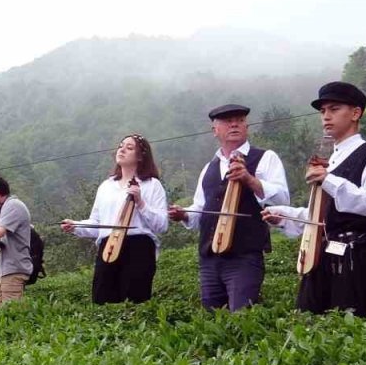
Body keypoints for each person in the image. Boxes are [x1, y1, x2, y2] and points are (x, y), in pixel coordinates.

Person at [263, 82, 366, 315]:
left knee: (351, 330)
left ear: (355, 113)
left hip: (353, 257)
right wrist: (283, 215)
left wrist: (328, 180)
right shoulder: (330, 161)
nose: (326, 117)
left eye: (334, 109)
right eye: (322, 111)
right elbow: (322, 218)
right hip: (319, 256)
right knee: (312, 326)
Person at [168, 104, 290, 311]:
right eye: (227, 121)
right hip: (209, 258)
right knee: (212, 318)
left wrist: (249, 180)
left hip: (244, 256)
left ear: (247, 125)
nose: (234, 124)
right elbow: (200, 208)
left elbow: (282, 199)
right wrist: (183, 215)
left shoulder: (265, 157)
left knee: (242, 316)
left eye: (240, 120)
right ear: (214, 129)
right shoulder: (209, 167)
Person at [62, 134, 169, 303]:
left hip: (138, 247)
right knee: (102, 299)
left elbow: (162, 224)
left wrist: (140, 203)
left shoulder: (151, 185)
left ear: (141, 156)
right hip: (108, 247)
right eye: (121, 146)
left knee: (134, 301)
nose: (122, 149)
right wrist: (75, 225)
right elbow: (97, 223)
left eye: (129, 147)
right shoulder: (106, 186)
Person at [0, 175, 33, 305]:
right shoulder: (6, 207)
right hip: (5, 269)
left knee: (11, 312)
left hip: (14, 268)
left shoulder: (13, 205)